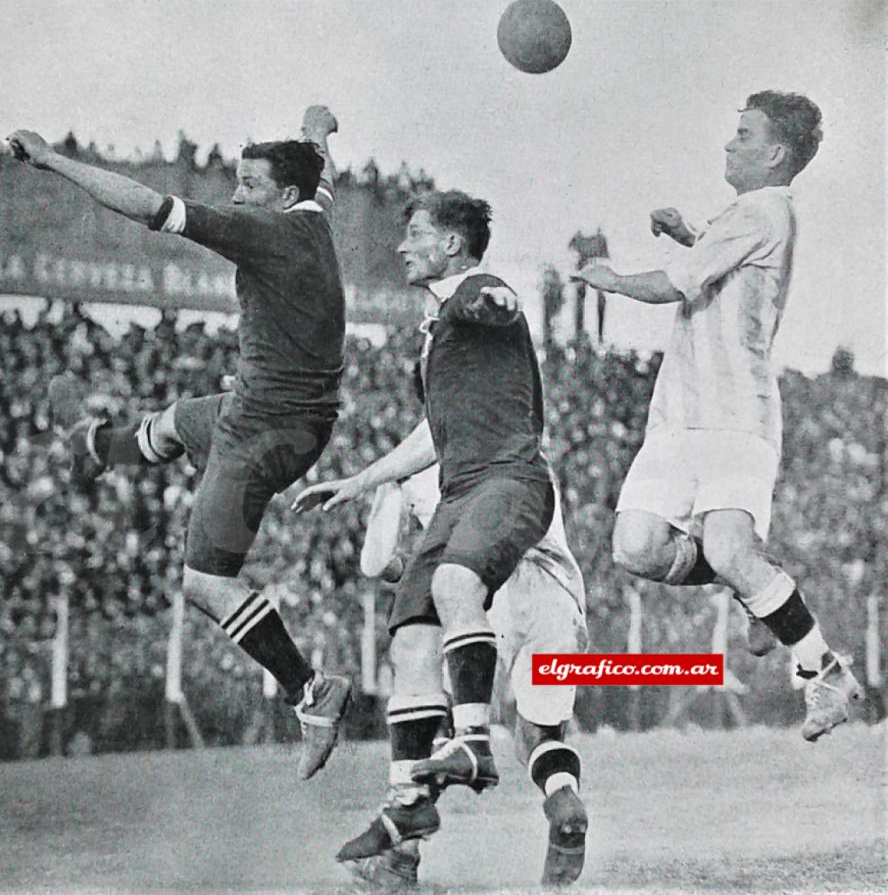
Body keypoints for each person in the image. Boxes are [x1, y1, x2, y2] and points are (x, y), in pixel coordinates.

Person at [8, 106, 352, 778]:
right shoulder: (312, 215)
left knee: (202, 582)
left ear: (280, 197)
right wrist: (317, 131)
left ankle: (307, 689)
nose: (236, 195)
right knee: (170, 424)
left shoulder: (267, 231)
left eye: (248, 183)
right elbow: (322, 174)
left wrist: (50, 159)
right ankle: (95, 445)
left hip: (261, 432)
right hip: (270, 411)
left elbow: (146, 207)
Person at [572, 90, 863, 741]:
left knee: (729, 549)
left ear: (775, 153)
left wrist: (612, 279)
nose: (730, 144)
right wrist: (689, 235)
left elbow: (675, 285)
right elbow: (724, 266)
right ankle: (753, 582)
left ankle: (825, 673)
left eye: (743, 134)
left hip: (736, 415)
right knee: (636, 549)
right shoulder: (751, 218)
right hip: (677, 418)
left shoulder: (762, 208)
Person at [293, 190, 559, 862]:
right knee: (409, 637)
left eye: (415, 234)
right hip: (460, 491)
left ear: (450, 244)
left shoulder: (474, 291)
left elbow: (500, 302)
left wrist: (489, 300)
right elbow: (432, 433)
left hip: (510, 479)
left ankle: (473, 741)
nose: (402, 245)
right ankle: (407, 811)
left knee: (452, 582)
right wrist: (362, 480)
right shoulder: (435, 330)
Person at [349, 377, 589, 887]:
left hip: (484, 596)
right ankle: (563, 799)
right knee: (539, 732)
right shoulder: (519, 437)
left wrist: (404, 557)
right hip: (558, 595)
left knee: (438, 723)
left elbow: (378, 565)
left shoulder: (409, 465)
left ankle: (401, 856)